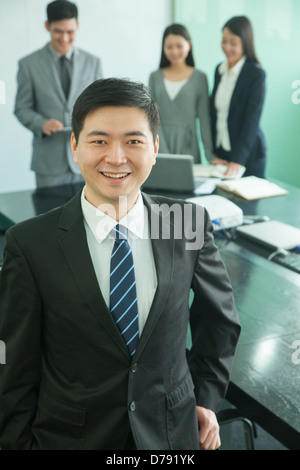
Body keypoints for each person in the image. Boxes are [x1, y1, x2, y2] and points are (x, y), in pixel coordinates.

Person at [0, 78, 241, 450]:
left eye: (133, 141)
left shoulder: (186, 223)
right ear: (75, 147)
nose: (116, 158)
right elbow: (14, 367)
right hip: (69, 438)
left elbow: (219, 321)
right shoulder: (30, 244)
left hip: (171, 436)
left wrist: (205, 398)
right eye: (99, 141)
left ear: (155, 148)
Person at [14, 0, 102, 188]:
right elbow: (21, 107)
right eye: (58, 31)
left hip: (87, 159)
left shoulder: (93, 63)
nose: (64, 38)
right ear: (47, 26)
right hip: (48, 163)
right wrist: (41, 123)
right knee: (49, 217)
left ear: (77, 26)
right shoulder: (28, 64)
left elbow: (101, 106)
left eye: (70, 32)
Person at [210, 16, 267, 178]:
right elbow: (215, 114)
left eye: (233, 42)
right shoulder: (219, 70)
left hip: (247, 157)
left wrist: (238, 160)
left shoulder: (256, 75)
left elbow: (252, 120)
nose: (227, 47)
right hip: (223, 154)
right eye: (224, 41)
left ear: (245, 43)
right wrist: (214, 153)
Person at [149, 24, 214, 163]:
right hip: (160, 144)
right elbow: (152, 117)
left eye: (179, 46)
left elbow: (204, 120)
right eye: (169, 46)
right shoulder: (154, 77)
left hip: (189, 147)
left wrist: (210, 156)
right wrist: (162, 149)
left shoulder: (200, 78)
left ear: (189, 45)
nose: (174, 51)